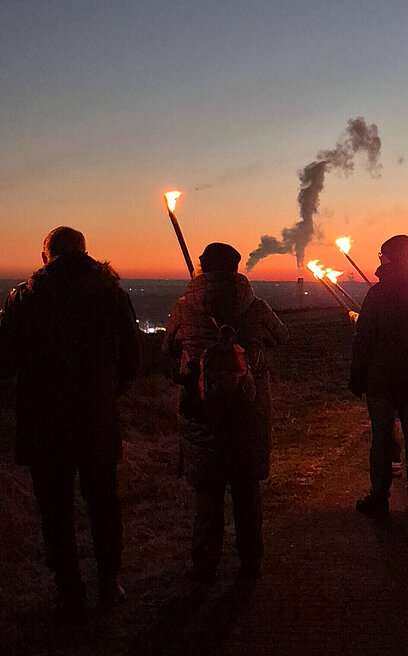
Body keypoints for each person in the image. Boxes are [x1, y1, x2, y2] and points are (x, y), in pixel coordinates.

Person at [0, 227, 140, 609]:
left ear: (47, 255)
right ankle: (109, 583)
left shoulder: (25, 297)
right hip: (95, 419)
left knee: (55, 509)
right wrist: (106, 395)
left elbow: (6, 360)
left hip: (43, 423)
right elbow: (132, 359)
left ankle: (69, 588)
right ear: (84, 251)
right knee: (103, 504)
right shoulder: (111, 293)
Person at [163, 242, 286, 583]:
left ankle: (204, 567)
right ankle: (250, 563)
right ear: (237, 269)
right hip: (248, 413)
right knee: (247, 493)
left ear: (201, 267)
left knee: (208, 496)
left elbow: (168, 346)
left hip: (202, 416)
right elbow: (281, 336)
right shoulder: (257, 307)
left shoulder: (185, 307)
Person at [350, 235, 408, 519]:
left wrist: (358, 377)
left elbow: (364, 338)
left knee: (381, 438)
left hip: (380, 379)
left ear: (389, 257)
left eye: (382, 254)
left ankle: (379, 497)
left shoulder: (377, 294)